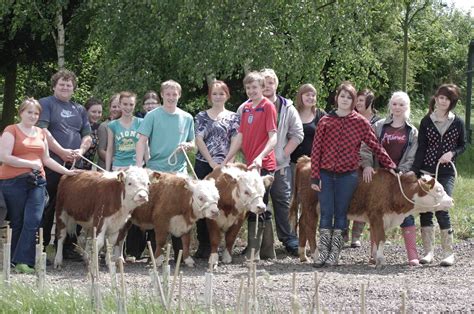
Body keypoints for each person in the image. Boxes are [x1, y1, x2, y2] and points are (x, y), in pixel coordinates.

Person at [311, 81, 396, 267]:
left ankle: (335, 254)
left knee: (341, 214)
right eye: (342, 96)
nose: (345, 100)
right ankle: (323, 252)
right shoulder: (325, 121)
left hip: (347, 176)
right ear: (337, 98)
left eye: (349, 97)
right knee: (326, 213)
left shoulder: (360, 122)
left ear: (353, 101)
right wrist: (315, 176)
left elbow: (375, 145)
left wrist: (390, 164)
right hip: (325, 174)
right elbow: (316, 150)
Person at [0, 98, 79, 274]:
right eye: (29, 112)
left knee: (34, 220)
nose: (33, 116)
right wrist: (29, 164)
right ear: (21, 113)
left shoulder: (41, 133)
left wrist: (66, 172)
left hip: (37, 181)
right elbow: (4, 157)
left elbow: (46, 160)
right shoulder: (11, 130)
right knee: (18, 221)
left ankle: (24, 260)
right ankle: (15, 260)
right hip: (13, 181)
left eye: (36, 113)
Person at [136, 80, 195, 259]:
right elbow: (141, 141)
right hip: (157, 170)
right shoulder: (152, 116)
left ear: (179, 95)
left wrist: (188, 145)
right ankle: (153, 253)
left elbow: (193, 142)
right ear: (162, 95)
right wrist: (139, 167)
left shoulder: (187, 117)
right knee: (155, 210)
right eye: (167, 94)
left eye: (174, 94)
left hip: (179, 171)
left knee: (181, 210)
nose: (171, 97)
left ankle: (180, 254)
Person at [360, 91, 420, 266]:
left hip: (401, 178)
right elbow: (366, 146)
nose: (397, 107)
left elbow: (412, 156)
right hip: (380, 179)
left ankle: (412, 254)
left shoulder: (412, 131)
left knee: (405, 212)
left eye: (401, 104)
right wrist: (368, 165)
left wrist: (402, 171)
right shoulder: (379, 126)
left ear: (407, 107)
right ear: (390, 106)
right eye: (394, 104)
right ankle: (374, 253)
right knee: (376, 213)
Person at [223, 71, 277, 261]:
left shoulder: (268, 106)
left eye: (255, 87)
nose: (251, 91)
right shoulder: (245, 108)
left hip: (264, 165)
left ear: (263, 88)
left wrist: (261, 157)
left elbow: (273, 137)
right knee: (250, 206)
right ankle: (258, 249)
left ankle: (260, 250)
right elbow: (240, 136)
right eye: (248, 88)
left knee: (260, 204)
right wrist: (228, 158)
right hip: (249, 166)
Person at [38, 69, 92, 259]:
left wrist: (81, 151)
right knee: (49, 205)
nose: (65, 87)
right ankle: (41, 246)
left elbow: (87, 135)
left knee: (76, 206)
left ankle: (69, 247)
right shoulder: (45, 104)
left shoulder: (79, 109)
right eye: (61, 84)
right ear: (54, 86)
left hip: (76, 164)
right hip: (51, 163)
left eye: (69, 85)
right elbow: (43, 131)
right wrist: (61, 151)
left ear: (73, 88)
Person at [412, 84, 467, 267]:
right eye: (440, 97)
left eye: (447, 99)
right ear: (435, 98)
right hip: (427, 170)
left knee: (442, 207)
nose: (442, 101)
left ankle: (448, 253)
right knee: (426, 209)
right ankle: (428, 252)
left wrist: (452, 153)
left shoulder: (457, 122)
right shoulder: (426, 121)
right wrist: (415, 171)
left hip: (447, 172)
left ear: (452, 102)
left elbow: (463, 145)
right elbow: (421, 148)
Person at [252, 68, 303, 257]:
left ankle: (289, 238)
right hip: (257, 166)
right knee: (256, 201)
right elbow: (239, 133)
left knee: (282, 201)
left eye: (270, 83)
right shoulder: (249, 106)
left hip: (280, 166)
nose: (267, 87)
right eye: (263, 83)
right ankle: (258, 244)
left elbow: (297, 134)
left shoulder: (287, 107)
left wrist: (282, 154)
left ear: (276, 84)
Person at [193, 80, 240, 258]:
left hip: (227, 166)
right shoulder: (201, 116)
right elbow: (199, 139)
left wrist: (228, 161)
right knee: (202, 202)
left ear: (227, 96)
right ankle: (204, 243)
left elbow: (236, 140)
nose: (218, 96)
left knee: (224, 203)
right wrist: (211, 162)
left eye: (221, 93)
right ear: (209, 96)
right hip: (205, 164)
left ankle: (224, 245)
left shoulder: (234, 117)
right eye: (215, 93)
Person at [349, 88, 381, 247]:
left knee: (364, 198)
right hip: (349, 163)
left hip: (369, 165)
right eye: (356, 100)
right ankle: (342, 234)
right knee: (348, 197)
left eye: (361, 100)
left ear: (369, 102)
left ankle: (356, 235)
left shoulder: (377, 122)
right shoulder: (349, 117)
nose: (357, 103)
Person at [290, 83, 326, 185]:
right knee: (294, 195)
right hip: (294, 163)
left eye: (313, 95)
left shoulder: (321, 115)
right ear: (300, 96)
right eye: (307, 95)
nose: (310, 97)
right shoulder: (293, 113)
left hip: (313, 164)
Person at [106, 91, 143, 171]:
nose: (128, 107)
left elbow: (146, 147)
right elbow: (109, 149)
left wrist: (149, 167)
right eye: (125, 104)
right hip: (118, 166)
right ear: (120, 105)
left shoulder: (141, 122)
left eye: (131, 104)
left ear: (135, 105)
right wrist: (107, 170)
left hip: (136, 166)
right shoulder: (112, 125)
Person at [97, 94, 121, 170]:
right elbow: (101, 151)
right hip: (106, 170)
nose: (116, 109)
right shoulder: (104, 126)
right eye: (114, 107)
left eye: (119, 106)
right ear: (110, 108)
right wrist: (117, 162)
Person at [82, 98, 103, 170]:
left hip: (88, 169)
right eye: (93, 112)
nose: (97, 115)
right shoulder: (79, 126)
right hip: (74, 167)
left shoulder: (98, 127)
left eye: (99, 112)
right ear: (86, 111)